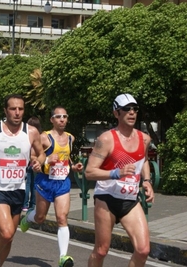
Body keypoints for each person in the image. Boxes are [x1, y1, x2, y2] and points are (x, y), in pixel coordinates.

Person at [0, 94, 45, 267]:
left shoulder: (31, 132)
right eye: (13, 109)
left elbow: (41, 154)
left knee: (10, 238)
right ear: (5, 111)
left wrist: (37, 162)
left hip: (18, 189)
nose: (17, 113)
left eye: (21, 109)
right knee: (5, 233)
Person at [85, 93, 154, 267]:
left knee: (143, 249)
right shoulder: (106, 139)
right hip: (106, 198)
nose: (132, 112)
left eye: (135, 109)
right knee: (101, 250)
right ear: (116, 113)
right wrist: (116, 173)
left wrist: (147, 181)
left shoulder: (144, 139)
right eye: (126, 109)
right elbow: (89, 172)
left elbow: (143, 159)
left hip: (130, 200)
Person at [20, 107, 84, 267]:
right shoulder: (44, 137)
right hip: (45, 181)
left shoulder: (71, 138)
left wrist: (73, 166)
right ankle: (28, 217)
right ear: (52, 120)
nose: (62, 119)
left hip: (62, 182)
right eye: (58, 117)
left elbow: (66, 157)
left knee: (62, 218)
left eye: (64, 116)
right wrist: (46, 160)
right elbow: (32, 155)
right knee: (40, 217)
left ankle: (63, 257)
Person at [22, 116, 42, 212]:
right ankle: (33, 205)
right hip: (37, 164)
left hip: (28, 164)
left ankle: (25, 204)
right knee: (34, 185)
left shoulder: (26, 136)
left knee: (27, 185)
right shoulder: (40, 137)